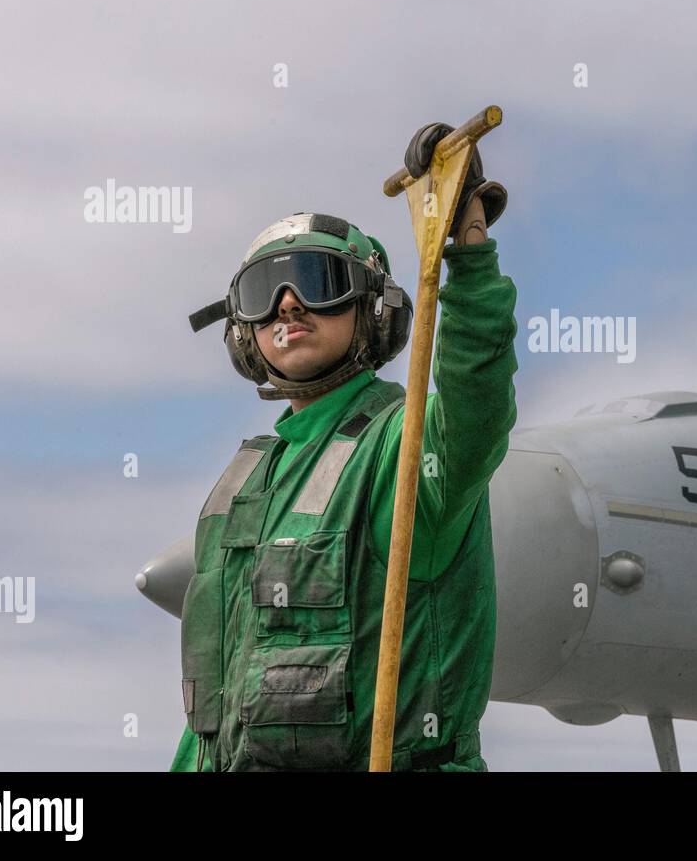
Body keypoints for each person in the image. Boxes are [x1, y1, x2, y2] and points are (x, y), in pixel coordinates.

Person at [169, 121, 516, 771]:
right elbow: (210, 728)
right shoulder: (242, 485)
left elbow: (478, 406)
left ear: (371, 307)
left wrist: (465, 245)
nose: (288, 306)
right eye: (263, 292)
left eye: (317, 281)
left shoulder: (403, 444)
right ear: (242, 328)